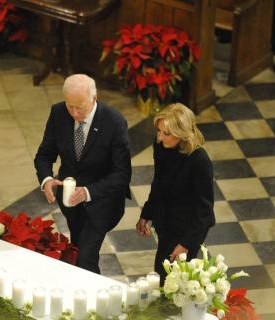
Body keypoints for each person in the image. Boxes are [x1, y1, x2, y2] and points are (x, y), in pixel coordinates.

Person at [34, 74, 132, 274]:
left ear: (94, 98)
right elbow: (44, 155)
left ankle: (92, 301)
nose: (75, 112)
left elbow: (122, 174)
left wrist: (87, 192)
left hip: (102, 201)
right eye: (70, 106)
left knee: (86, 256)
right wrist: (46, 180)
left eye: (80, 107)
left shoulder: (114, 122)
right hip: (71, 202)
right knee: (78, 248)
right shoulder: (58, 113)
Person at [136, 103, 215, 285]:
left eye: (166, 133)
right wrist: (146, 214)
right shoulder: (161, 146)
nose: (160, 138)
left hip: (187, 229)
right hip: (166, 222)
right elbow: (159, 183)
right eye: (159, 131)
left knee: (172, 282)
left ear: (182, 133)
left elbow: (205, 213)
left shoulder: (199, 160)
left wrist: (186, 244)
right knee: (162, 275)